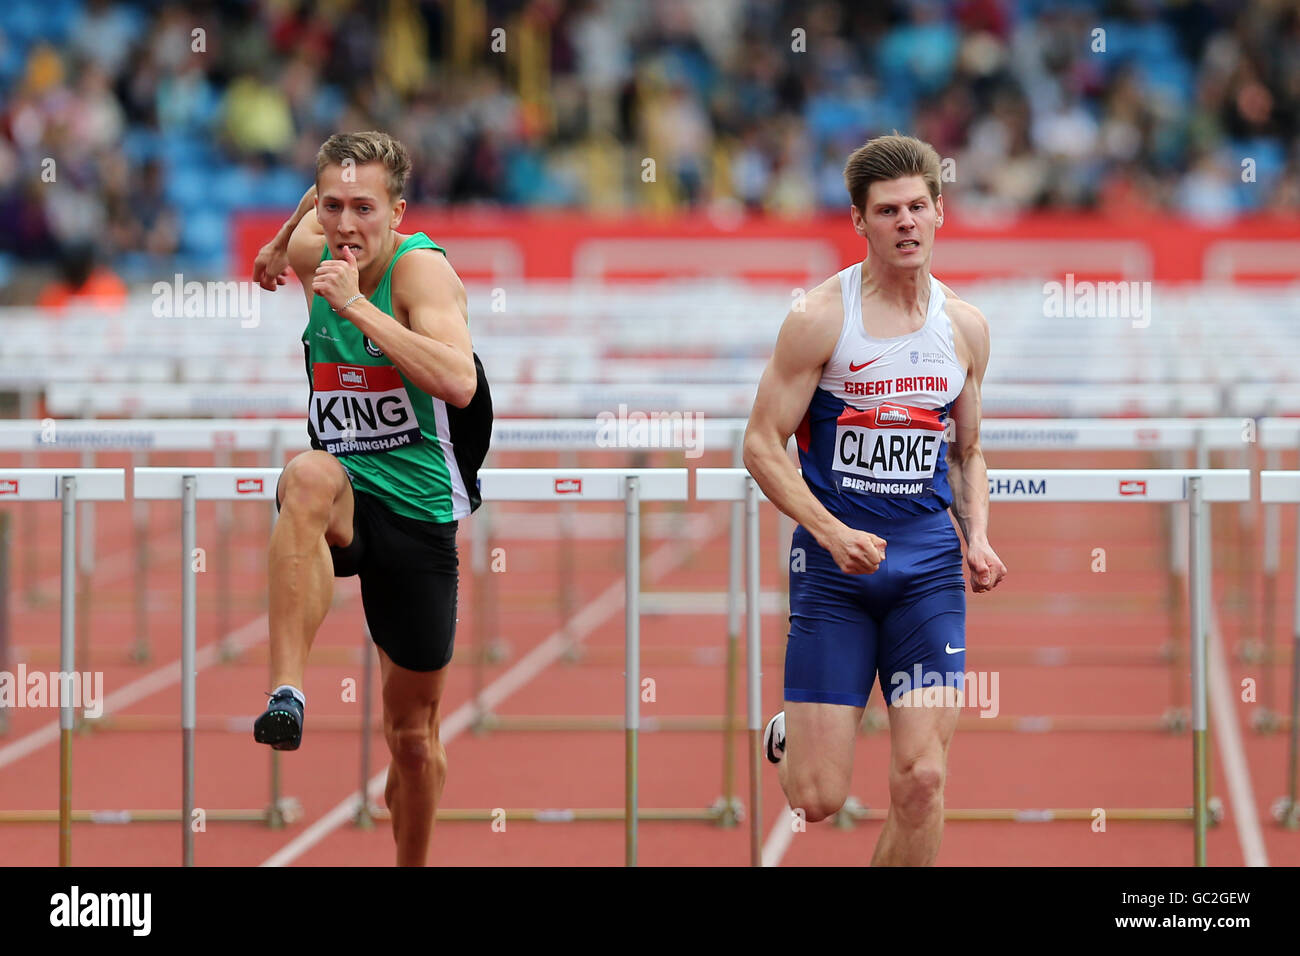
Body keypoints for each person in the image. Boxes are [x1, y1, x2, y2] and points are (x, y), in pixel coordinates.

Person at [743, 133, 1007, 865]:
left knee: (923, 778)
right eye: (887, 211)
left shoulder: (965, 328)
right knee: (816, 800)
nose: (906, 223)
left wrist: (976, 535)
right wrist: (829, 533)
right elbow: (761, 445)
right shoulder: (820, 318)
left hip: (926, 569)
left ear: (940, 212)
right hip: (836, 573)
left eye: (918, 207)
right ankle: (797, 732)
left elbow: (967, 451)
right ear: (859, 221)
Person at [250, 131, 492, 865]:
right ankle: (287, 693)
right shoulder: (310, 248)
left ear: (398, 212)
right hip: (347, 496)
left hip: (419, 516)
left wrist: (355, 308)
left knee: (412, 739)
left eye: (364, 208)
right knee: (307, 475)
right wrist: (277, 240)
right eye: (332, 208)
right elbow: (309, 222)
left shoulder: (420, 274)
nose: (346, 225)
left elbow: (458, 383)